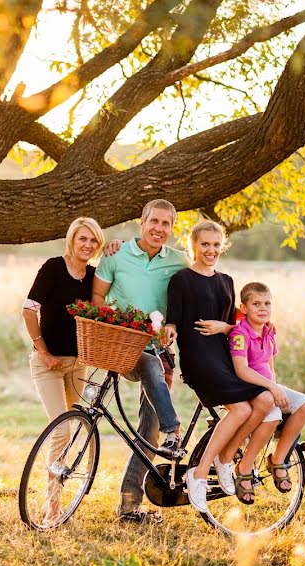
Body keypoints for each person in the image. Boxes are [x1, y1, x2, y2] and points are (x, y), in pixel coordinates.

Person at [163, 220, 279, 513]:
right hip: (198, 357)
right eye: (205, 244)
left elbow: (235, 325)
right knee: (241, 409)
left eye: (216, 245)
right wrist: (170, 329)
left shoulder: (226, 281)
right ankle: (199, 474)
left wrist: (226, 326)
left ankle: (226, 459)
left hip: (224, 357)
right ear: (194, 246)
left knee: (264, 400)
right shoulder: (181, 280)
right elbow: (174, 318)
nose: (211, 250)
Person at [92, 199, 189, 523]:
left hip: (159, 350)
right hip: (121, 347)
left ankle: (130, 507)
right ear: (141, 222)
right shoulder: (116, 254)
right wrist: (113, 325)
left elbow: (197, 285)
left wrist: (173, 326)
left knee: (148, 430)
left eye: (166, 224)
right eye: (154, 222)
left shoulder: (178, 261)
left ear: (172, 228)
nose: (159, 229)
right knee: (148, 364)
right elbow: (96, 300)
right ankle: (174, 430)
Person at [22, 216, 105, 523]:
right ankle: (53, 507)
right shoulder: (53, 268)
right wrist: (43, 351)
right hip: (48, 363)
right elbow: (28, 310)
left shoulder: (93, 277)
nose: (88, 245)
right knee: (62, 429)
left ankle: (52, 499)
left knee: (66, 433)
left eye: (93, 240)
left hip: (77, 364)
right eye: (83, 238)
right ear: (72, 239)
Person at [228, 281, 305, 500]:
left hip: (268, 386)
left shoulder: (269, 331)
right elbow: (242, 370)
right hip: (249, 387)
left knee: (304, 404)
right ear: (243, 308)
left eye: (267, 303)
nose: (263, 308)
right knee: (273, 415)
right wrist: (272, 388)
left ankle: (278, 459)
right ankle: (244, 467)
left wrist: (277, 387)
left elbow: (269, 366)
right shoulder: (239, 333)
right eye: (256, 304)